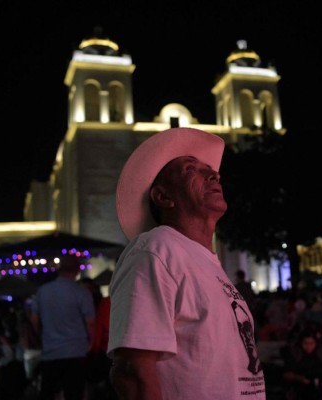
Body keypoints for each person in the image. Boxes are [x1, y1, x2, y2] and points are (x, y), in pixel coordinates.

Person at [107, 127, 265, 399]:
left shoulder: (205, 261)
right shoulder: (157, 249)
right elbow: (132, 371)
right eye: (191, 169)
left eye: (211, 169)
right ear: (163, 197)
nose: (214, 174)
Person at [30, 254, 96, 400]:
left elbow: (34, 320)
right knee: (73, 393)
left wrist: (41, 338)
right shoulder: (81, 292)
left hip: (50, 350)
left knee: (48, 392)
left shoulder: (43, 291)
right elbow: (90, 323)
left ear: (59, 269)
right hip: (75, 350)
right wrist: (90, 343)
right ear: (77, 270)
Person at [282, 329, 322, 400]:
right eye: (305, 343)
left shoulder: (321, 355)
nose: (308, 347)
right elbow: (286, 374)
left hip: (318, 390)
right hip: (299, 391)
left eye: (311, 343)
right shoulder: (296, 354)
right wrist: (300, 378)